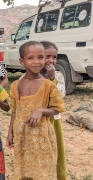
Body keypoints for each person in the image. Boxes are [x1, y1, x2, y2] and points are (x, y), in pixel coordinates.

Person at [6, 41, 66, 179]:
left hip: (42, 136)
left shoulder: (48, 85)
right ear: (22, 61)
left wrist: (41, 111)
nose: (36, 62)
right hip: (22, 136)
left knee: (42, 171)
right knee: (25, 170)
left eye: (40, 57)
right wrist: (10, 133)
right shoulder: (16, 85)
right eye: (30, 58)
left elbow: (57, 109)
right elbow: (14, 111)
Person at [40, 41, 67, 180]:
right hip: (37, 122)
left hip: (53, 120)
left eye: (54, 57)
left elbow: (59, 96)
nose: (51, 60)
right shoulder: (31, 77)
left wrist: (52, 78)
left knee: (56, 150)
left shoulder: (58, 76)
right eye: (47, 56)